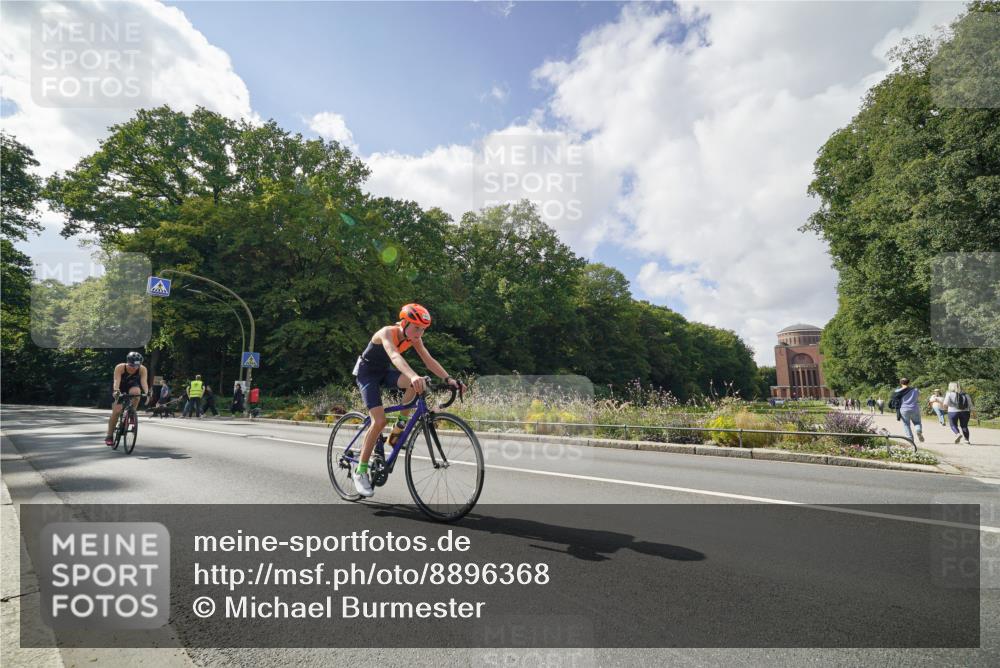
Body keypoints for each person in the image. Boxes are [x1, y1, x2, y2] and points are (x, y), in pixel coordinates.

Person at [351, 303, 464, 498]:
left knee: (415, 385)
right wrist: (413, 375)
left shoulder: (414, 338)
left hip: (384, 372)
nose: (420, 333)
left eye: (423, 329)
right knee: (378, 421)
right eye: (416, 327)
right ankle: (360, 472)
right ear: (404, 323)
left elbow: (429, 361)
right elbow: (394, 355)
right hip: (367, 373)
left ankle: (398, 429)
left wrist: (449, 379)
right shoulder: (387, 332)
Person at [105, 351, 149, 446]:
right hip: (119, 386)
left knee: (137, 393)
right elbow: (117, 380)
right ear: (128, 362)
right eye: (132, 366)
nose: (134, 368)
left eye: (137, 366)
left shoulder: (142, 369)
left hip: (132, 385)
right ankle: (109, 436)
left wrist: (147, 393)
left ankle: (132, 413)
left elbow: (144, 382)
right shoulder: (120, 367)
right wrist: (116, 390)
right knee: (116, 411)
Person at [890, 378, 924, 443]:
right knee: (917, 422)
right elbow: (919, 397)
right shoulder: (915, 390)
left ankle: (910, 439)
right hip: (914, 409)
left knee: (906, 425)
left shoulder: (897, 391)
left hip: (904, 410)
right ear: (908, 382)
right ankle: (918, 430)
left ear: (900, 383)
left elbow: (894, 400)